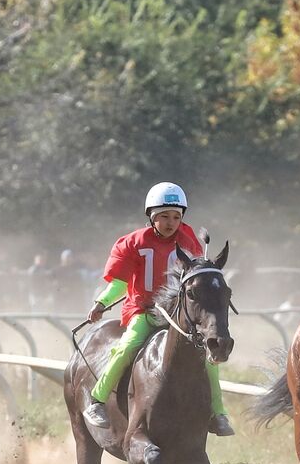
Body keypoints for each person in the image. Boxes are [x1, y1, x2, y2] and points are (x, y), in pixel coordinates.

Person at [83, 182, 234, 436]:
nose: (170, 222)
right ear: (151, 217)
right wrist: (101, 303)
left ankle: (218, 414)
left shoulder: (188, 240)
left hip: (176, 316)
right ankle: (97, 401)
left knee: (208, 357)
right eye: (164, 216)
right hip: (143, 311)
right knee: (128, 346)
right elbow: (119, 283)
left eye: (176, 217)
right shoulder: (133, 243)